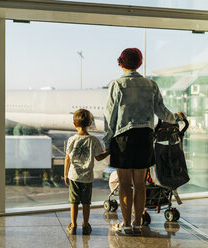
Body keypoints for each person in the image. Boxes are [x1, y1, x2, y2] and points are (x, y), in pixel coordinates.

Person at [103, 48, 185, 235]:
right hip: (145, 137)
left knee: (124, 184)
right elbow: (162, 111)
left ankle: (126, 225)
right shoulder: (151, 85)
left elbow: (110, 117)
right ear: (140, 63)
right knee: (140, 184)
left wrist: (107, 141)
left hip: (123, 138)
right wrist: (177, 118)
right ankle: (138, 223)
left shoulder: (117, 85)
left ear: (120, 63)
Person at [65, 109, 109, 235]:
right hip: (88, 177)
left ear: (74, 124)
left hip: (74, 176)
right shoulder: (93, 140)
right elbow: (99, 157)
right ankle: (85, 225)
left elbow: (67, 158)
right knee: (86, 203)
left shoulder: (71, 140)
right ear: (90, 123)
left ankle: (73, 226)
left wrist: (65, 174)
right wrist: (109, 151)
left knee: (73, 202)